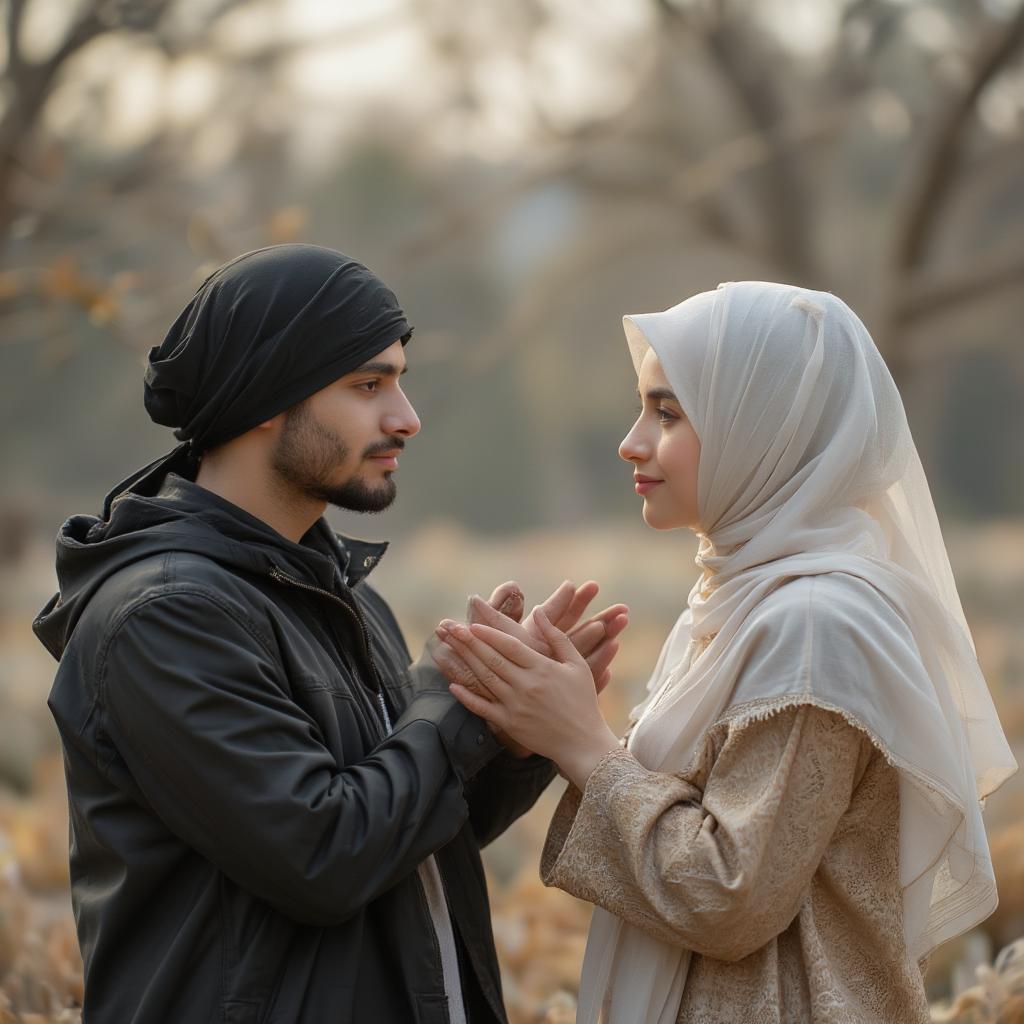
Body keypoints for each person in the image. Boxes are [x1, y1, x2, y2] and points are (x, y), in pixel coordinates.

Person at [32, 243, 628, 1024]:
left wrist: (510, 726)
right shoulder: (165, 617)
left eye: (400, 383)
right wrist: (448, 704)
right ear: (266, 398)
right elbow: (324, 855)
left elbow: (406, 835)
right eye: (368, 385)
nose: (405, 418)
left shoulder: (336, 592)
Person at [434, 281, 1018, 1023]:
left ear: (764, 428)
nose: (631, 441)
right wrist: (545, 719)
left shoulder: (817, 624)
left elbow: (728, 896)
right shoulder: (744, 600)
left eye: (668, 412)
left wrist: (582, 743)